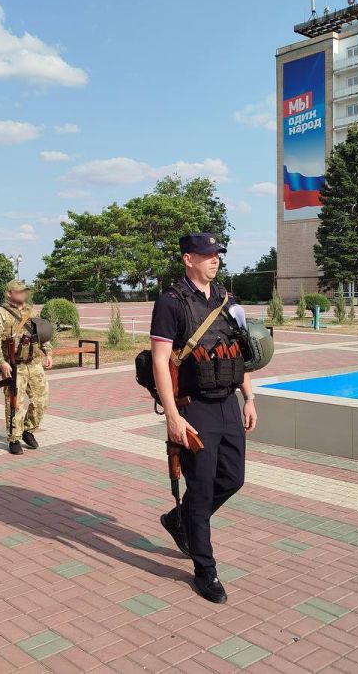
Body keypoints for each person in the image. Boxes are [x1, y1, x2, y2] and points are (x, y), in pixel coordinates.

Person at [149, 233, 258, 604]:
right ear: (188, 259)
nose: (215, 260)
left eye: (217, 254)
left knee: (233, 478)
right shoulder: (171, 301)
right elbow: (160, 361)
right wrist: (172, 415)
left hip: (228, 402)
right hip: (193, 406)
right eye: (208, 254)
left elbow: (240, 352)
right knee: (200, 488)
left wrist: (249, 398)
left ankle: (179, 519)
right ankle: (205, 569)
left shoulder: (227, 299)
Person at [0, 280, 53, 455]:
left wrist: (48, 352)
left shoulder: (32, 311)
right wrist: (2, 362)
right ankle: (14, 438)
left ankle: (27, 430)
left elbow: (41, 334)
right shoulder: (0, 314)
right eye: (19, 291)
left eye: (25, 291)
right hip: (15, 365)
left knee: (41, 400)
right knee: (15, 403)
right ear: (9, 293)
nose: (23, 294)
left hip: (34, 363)